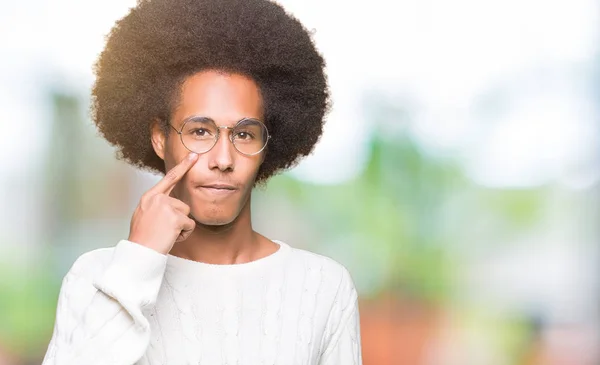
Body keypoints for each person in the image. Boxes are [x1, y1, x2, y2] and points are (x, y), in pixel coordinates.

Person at [41, 0, 362, 364]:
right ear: (160, 138)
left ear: (266, 146)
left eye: (244, 135)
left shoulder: (322, 286)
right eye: (199, 131)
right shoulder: (96, 277)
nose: (223, 160)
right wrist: (138, 262)